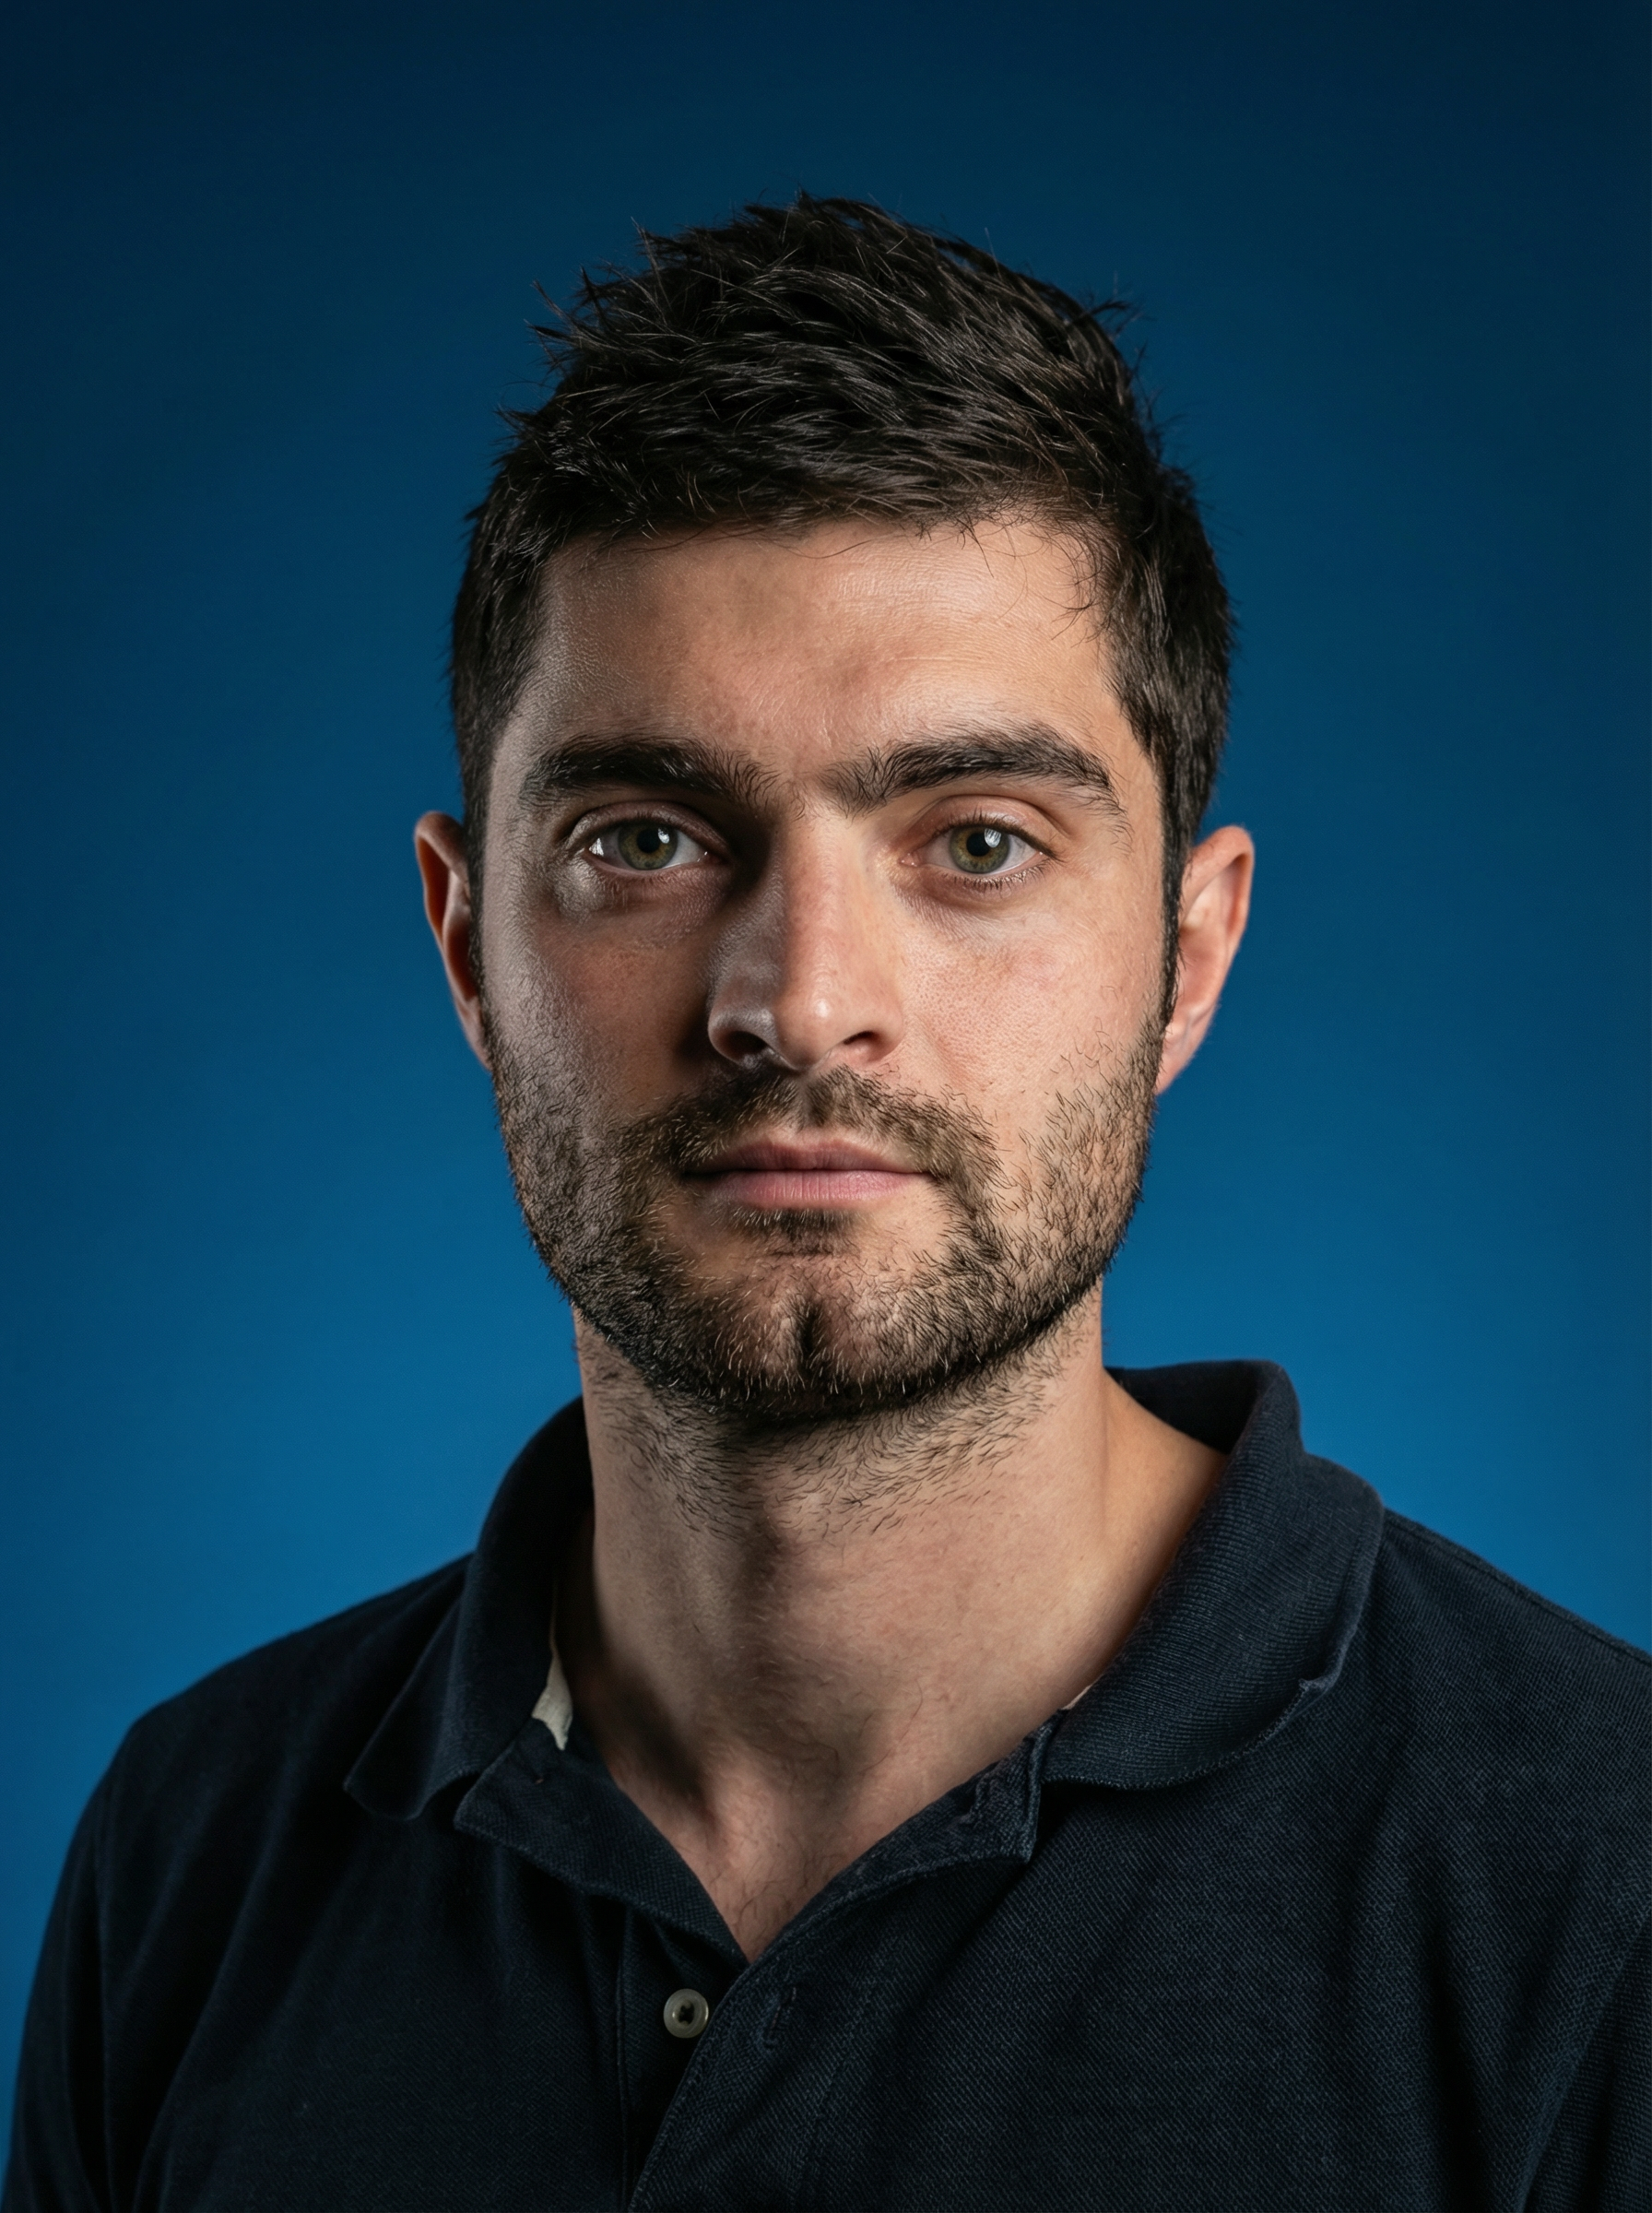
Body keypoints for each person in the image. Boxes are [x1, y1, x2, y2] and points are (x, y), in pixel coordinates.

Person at [6, 195, 1646, 2213]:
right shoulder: (192, 1851)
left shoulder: (1604, 1882)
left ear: (1187, 958)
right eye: (645, 838)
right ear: (464, 943)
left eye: (977, 841)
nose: (796, 1001)